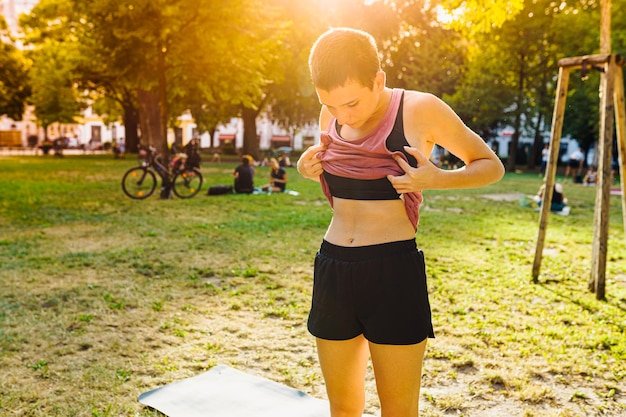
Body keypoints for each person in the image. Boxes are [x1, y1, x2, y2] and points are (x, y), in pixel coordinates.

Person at [297, 28, 504, 417]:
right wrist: (304, 167)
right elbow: (337, 174)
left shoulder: (420, 109)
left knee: (399, 411)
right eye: (331, 104)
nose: (343, 115)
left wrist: (438, 179)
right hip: (334, 266)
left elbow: (491, 165)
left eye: (352, 103)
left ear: (379, 79)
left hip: (392, 269)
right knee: (342, 409)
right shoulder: (332, 111)